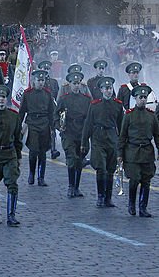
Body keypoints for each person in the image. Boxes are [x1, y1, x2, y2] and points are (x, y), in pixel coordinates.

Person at [81, 75, 125, 208]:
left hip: (112, 139)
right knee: (101, 168)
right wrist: (84, 142)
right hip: (98, 139)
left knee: (111, 169)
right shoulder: (94, 105)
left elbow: (121, 126)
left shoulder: (118, 105)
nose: (108, 91)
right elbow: (88, 124)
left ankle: (108, 198)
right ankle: (100, 197)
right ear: (101, 90)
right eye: (106, 88)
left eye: (110, 88)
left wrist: (122, 143)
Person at [0, 83, 23, 227]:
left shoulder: (14, 116)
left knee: (12, 184)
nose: (1, 99)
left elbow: (18, 138)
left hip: (9, 154)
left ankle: (11, 216)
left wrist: (18, 156)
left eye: (3, 97)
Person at [120, 84, 159, 217]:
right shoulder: (129, 115)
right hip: (132, 153)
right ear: (135, 99)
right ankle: (131, 204)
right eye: (140, 97)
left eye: (144, 97)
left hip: (147, 153)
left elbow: (157, 135)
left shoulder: (152, 116)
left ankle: (143, 207)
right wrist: (120, 154)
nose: (142, 99)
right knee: (135, 179)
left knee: (146, 180)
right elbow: (122, 136)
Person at [55, 70, 91, 198]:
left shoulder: (86, 99)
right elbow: (56, 115)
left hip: (82, 133)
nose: (76, 85)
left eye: (78, 83)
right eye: (74, 83)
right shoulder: (64, 99)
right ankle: (71, 186)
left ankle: (76, 187)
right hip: (69, 132)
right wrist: (60, 127)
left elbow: (90, 117)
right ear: (69, 84)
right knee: (72, 159)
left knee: (80, 161)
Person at [18, 68, 56, 187]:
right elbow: (22, 111)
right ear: (33, 81)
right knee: (33, 151)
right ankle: (31, 174)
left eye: (42, 80)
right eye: (38, 80)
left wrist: (53, 127)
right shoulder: (27, 94)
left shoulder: (48, 94)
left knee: (43, 152)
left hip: (44, 123)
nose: (40, 82)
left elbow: (51, 112)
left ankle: (41, 177)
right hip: (32, 123)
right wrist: (18, 126)